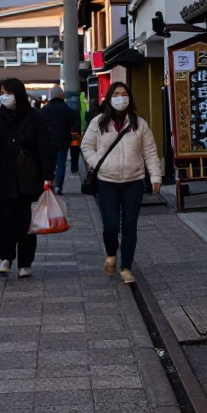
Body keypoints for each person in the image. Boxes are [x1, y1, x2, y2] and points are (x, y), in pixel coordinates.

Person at [81, 82, 162, 285]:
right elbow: (86, 146)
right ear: (109, 98)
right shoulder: (99, 122)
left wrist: (155, 177)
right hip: (106, 182)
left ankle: (126, 267)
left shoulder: (139, 123)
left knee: (129, 226)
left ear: (129, 98)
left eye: (124, 94)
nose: (120, 98)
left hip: (133, 182)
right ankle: (111, 255)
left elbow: (150, 152)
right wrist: (98, 163)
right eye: (116, 94)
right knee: (110, 226)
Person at [0, 78, 54, 279]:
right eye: (1, 92)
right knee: (4, 221)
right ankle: (7, 257)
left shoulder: (35, 118)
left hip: (29, 177)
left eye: (7, 92)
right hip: (3, 178)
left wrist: (48, 175)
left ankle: (25, 262)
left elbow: (44, 147)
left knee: (26, 222)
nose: (4, 96)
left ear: (17, 94)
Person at [40, 85, 81, 194]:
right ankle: (58, 186)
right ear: (62, 96)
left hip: (48, 142)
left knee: (49, 164)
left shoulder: (43, 110)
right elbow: (75, 123)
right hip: (63, 141)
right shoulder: (68, 110)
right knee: (61, 164)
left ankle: (48, 184)